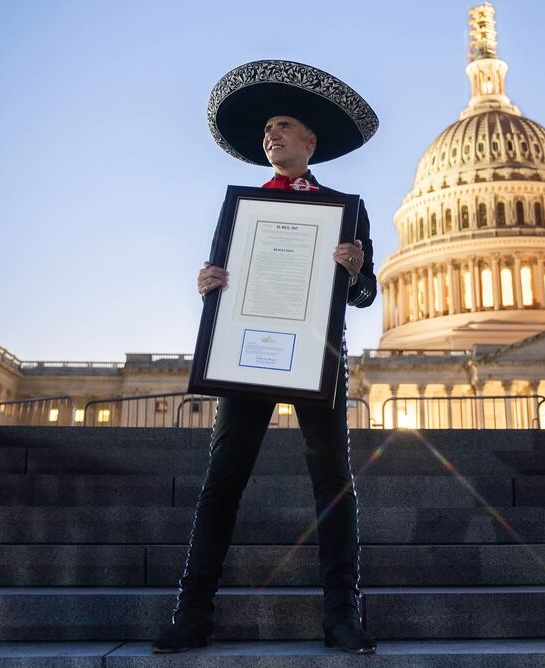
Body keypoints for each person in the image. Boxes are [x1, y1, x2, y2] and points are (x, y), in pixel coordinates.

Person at [153, 60, 379, 655]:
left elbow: (364, 294)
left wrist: (355, 271)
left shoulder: (346, 209)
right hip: (245, 359)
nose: (270, 137)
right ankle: (192, 609)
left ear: (310, 141)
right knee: (222, 482)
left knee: (333, 482)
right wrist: (208, 282)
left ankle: (342, 613)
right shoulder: (242, 208)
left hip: (318, 357)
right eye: (265, 132)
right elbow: (224, 281)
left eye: (283, 127)